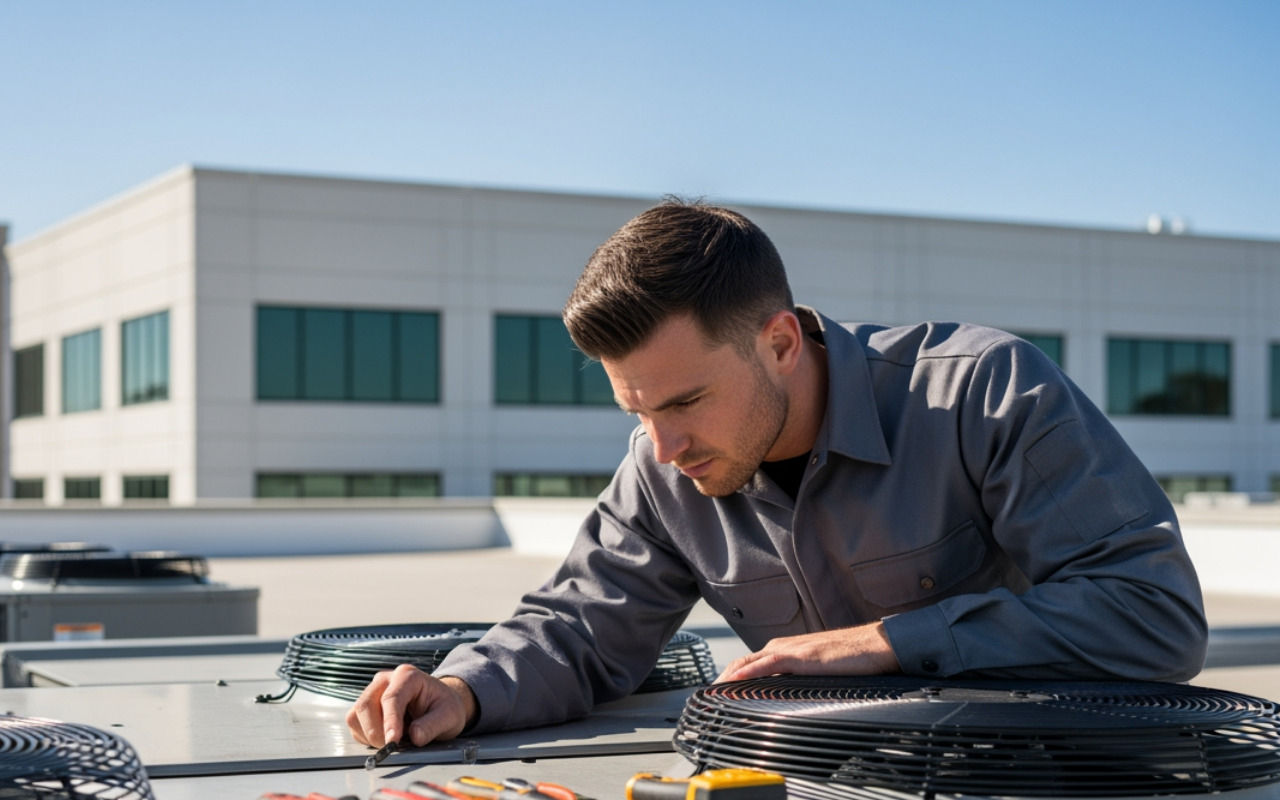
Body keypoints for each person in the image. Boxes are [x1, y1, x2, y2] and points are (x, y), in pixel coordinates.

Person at [346, 199, 1208, 749]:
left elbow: (1153, 615)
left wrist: (882, 643)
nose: (663, 446)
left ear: (783, 342)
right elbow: (577, 629)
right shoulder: (662, 465)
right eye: (637, 413)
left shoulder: (981, 390)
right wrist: (464, 688)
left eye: (685, 401)